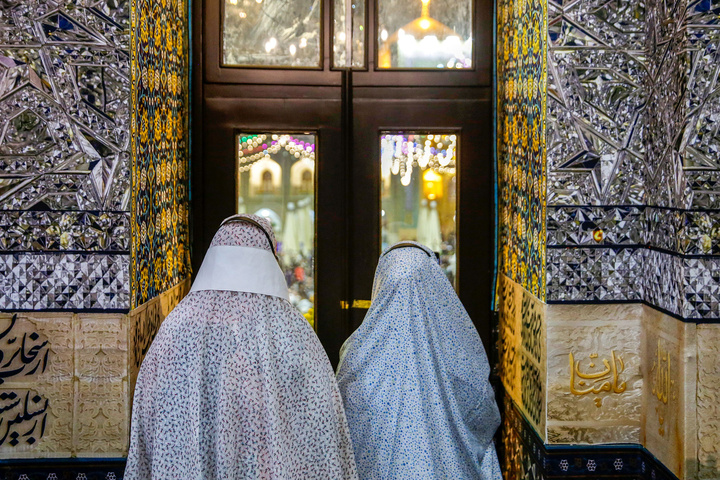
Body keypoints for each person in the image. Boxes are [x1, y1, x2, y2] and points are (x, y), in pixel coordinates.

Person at [125, 214, 358, 480]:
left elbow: (149, 410)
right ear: (269, 257)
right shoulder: (293, 330)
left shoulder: (176, 326)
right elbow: (320, 424)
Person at [336, 241, 502, 480]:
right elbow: (482, 412)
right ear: (435, 285)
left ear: (382, 283)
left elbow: (344, 424)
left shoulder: (359, 352)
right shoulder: (459, 347)